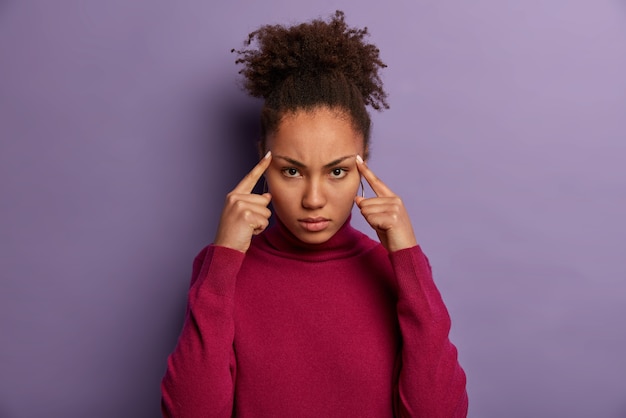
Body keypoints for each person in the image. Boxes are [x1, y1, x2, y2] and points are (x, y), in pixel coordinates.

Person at [161, 10, 468, 417]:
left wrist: (408, 258)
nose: (313, 199)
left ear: (365, 164)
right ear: (262, 163)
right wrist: (224, 260)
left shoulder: (395, 273)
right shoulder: (222, 271)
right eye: (291, 171)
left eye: (338, 171)